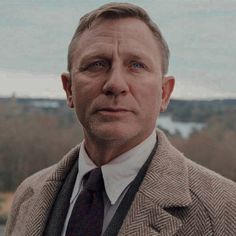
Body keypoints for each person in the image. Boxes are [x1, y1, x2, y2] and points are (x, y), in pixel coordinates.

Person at [5, 2, 236, 236]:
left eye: (136, 65)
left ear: (164, 92)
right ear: (69, 89)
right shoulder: (28, 196)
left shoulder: (225, 212)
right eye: (97, 64)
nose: (115, 84)